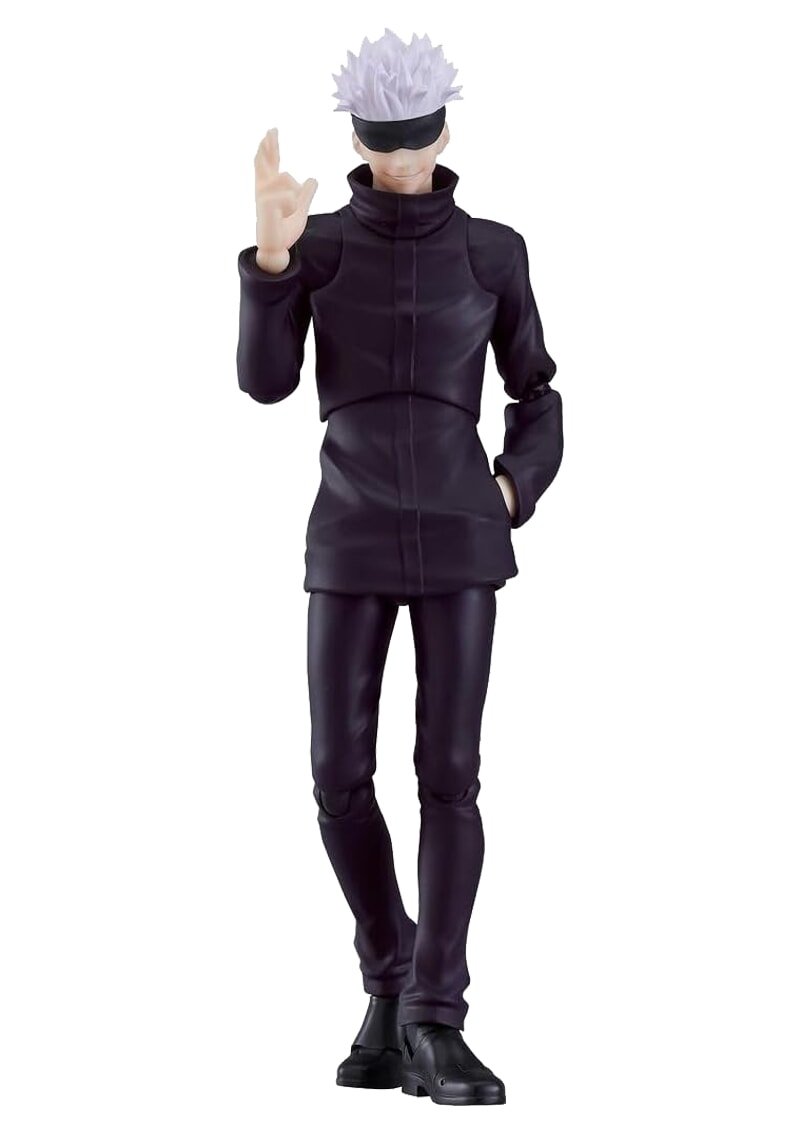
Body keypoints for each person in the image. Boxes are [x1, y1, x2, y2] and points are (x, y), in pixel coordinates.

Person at [236, 28, 563, 1106]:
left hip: (463, 533)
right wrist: (273, 261)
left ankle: (433, 1016)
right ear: (359, 145)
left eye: (416, 141)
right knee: (336, 775)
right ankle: (389, 976)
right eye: (383, 143)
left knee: (448, 774)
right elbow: (266, 383)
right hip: (348, 527)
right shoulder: (322, 244)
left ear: (444, 137)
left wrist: (513, 487)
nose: (402, 160)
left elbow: (536, 388)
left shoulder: (493, 252)